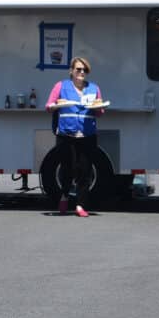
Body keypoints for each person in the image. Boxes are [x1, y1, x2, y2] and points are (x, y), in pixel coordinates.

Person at [45, 56, 105, 217]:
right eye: (78, 69)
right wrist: (58, 105)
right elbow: (49, 106)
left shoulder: (94, 88)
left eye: (85, 70)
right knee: (67, 169)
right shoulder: (60, 86)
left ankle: (80, 205)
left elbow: (99, 112)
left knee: (85, 171)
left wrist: (98, 107)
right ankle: (64, 195)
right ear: (71, 71)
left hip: (87, 135)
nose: (82, 72)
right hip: (66, 134)